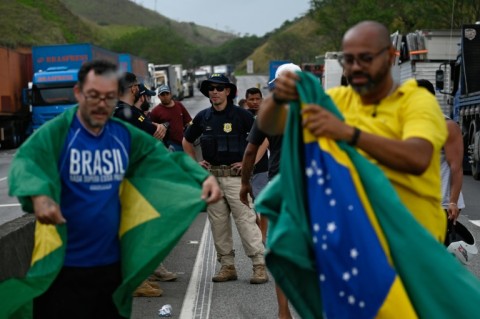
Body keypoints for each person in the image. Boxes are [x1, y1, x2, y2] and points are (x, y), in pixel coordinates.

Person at [11, 60, 221, 318]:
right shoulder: (59, 132)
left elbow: (163, 160)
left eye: (109, 97)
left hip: (111, 261)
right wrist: (40, 196)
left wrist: (202, 178)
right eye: (94, 96)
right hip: (64, 261)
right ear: (78, 93)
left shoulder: (121, 134)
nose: (102, 104)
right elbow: (27, 163)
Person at [258, 20, 448, 242]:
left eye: (366, 58)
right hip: (355, 243)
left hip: (410, 241)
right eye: (349, 59)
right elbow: (269, 124)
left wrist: (349, 133)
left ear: (389, 56)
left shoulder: (417, 102)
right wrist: (279, 96)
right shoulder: (335, 100)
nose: (356, 66)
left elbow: (418, 157)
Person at [182, 73, 268, 284]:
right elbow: (186, 141)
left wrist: (251, 164)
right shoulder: (203, 117)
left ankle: (259, 266)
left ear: (228, 91)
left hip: (236, 179)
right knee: (218, 224)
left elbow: (263, 139)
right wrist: (195, 164)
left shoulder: (242, 115)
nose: (215, 92)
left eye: (219, 88)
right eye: (211, 88)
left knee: (246, 221)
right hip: (213, 179)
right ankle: (227, 266)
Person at [416, 79, 465, 244]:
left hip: (440, 204)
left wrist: (453, 201)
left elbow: (456, 167)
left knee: (434, 256)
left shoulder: (447, 126)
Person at [239, 88, 269, 241]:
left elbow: (265, 144)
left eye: (258, 99)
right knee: (247, 204)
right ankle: (257, 230)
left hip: (261, 167)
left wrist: (252, 163)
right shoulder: (242, 117)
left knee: (262, 202)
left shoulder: (266, 117)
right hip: (243, 168)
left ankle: (263, 236)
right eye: (252, 99)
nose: (255, 102)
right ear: (246, 100)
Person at [113, 72, 166, 141]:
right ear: (133, 88)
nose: (138, 88)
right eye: (137, 85)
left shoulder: (119, 109)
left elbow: (144, 122)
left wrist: (155, 125)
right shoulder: (128, 113)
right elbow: (153, 130)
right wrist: (163, 126)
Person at [150, 84, 192, 151]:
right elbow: (152, 131)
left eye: (167, 94)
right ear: (158, 97)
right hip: (169, 146)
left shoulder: (179, 105)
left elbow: (188, 122)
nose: (165, 96)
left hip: (184, 143)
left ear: (171, 94)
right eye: (163, 95)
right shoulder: (155, 111)